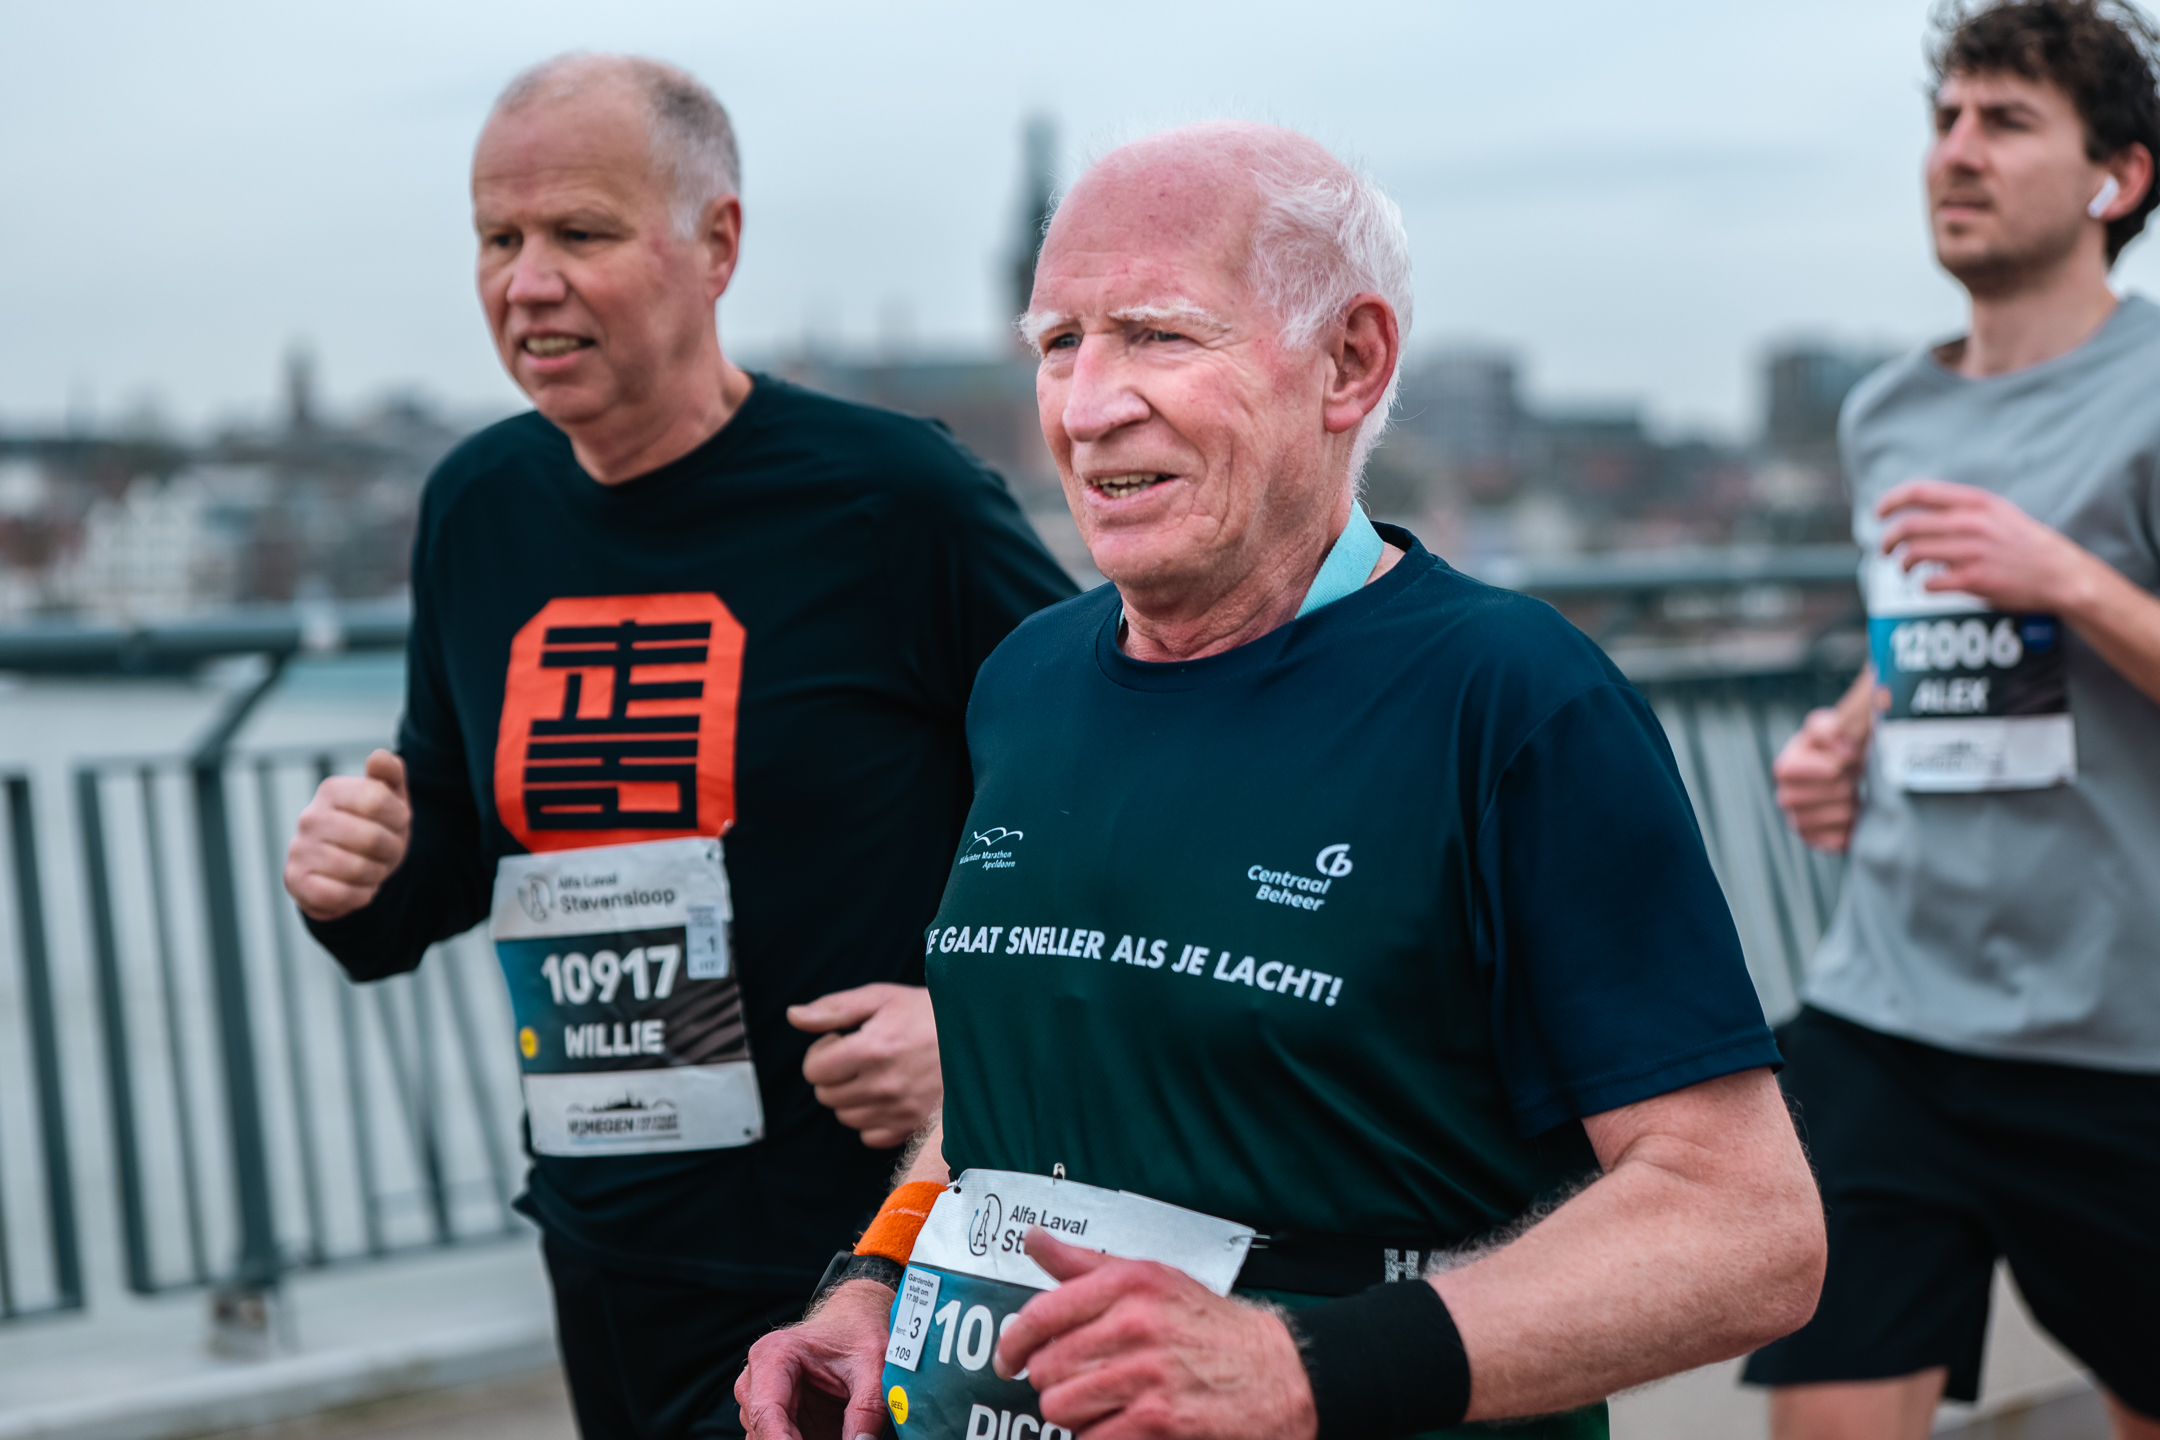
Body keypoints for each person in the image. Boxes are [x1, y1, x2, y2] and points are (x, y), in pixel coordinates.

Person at [736, 121, 1825, 1440]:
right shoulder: (1025, 680)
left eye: (1158, 335)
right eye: (1060, 343)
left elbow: (1747, 1229)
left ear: (1350, 364)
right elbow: (1013, 1075)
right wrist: (874, 1285)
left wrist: (1294, 1368)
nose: (1086, 407)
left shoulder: (1514, 701)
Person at [280, 54, 1074, 1440]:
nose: (528, 282)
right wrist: (358, 876)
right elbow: (455, 848)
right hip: (606, 1239)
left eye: (580, 233)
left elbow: (1111, 797)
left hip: (871, 1252)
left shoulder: (897, 503)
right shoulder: (477, 505)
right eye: (497, 238)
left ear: (717, 245)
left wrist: (973, 1034)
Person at [1745, 5, 2160, 1438]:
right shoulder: (1885, 415)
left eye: (2008, 122)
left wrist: (2070, 577)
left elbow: (2039, 594)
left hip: (2123, 1044)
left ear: (2119, 178)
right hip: (1890, 1014)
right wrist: (1846, 735)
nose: (1957, 153)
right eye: (1946, 120)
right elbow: (1928, 631)